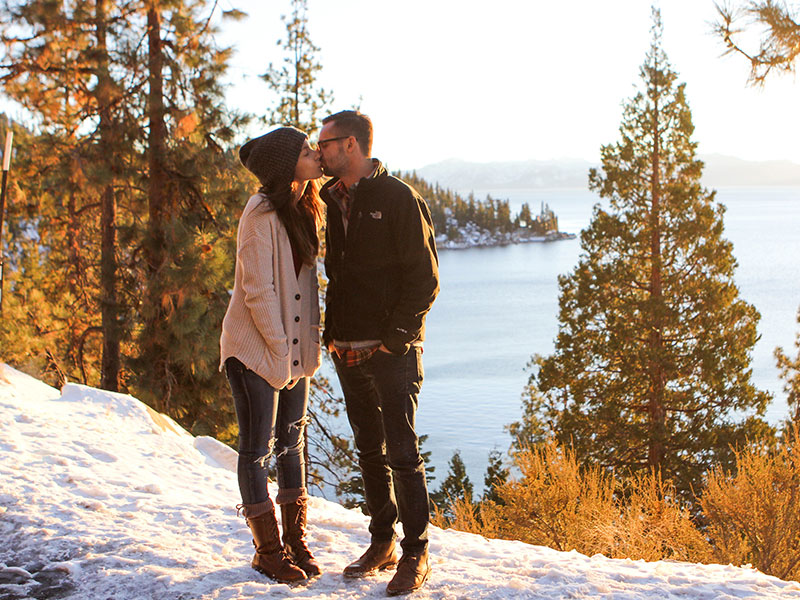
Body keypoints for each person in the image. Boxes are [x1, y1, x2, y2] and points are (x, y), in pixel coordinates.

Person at [317, 110, 440, 596]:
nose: (319, 151)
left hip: (392, 352)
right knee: (369, 449)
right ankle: (382, 541)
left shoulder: (399, 198)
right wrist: (332, 334)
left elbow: (425, 280)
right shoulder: (332, 200)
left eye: (324, 144)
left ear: (350, 145)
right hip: (346, 348)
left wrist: (395, 340)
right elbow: (339, 275)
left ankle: (416, 552)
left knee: (403, 453)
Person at [219, 126, 324, 584]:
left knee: (291, 443)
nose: (315, 153)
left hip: (292, 351)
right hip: (254, 350)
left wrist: (304, 348)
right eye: (306, 150)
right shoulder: (258, 212)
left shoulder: (303, 207)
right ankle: (267, 551)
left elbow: (305, 290)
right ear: (286, 165)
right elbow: (257, 290)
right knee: (256, 450)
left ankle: (295, 541)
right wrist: (280, 350)